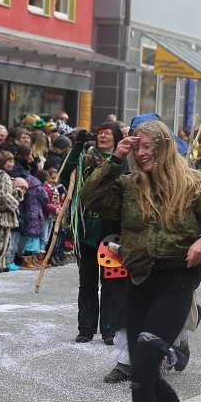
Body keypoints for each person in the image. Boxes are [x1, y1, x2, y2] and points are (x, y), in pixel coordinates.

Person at [79, 119, 201, 402]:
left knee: (144, 364)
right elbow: (90, 198)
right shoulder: (130, 184)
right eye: (138, 147)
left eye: (150, 146)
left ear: (164, 148)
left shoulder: (194, 183)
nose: (143, 153)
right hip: (139, 280)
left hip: (176, 282)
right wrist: (115, 159)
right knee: (144, 369)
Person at [61, 123, 123, 344]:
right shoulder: (85, 160)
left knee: (111, 282)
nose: (103, 135)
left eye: (108, 133)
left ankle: (109, 329)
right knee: (87, 282)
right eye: (100, 132)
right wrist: (76, 147)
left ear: (117, 139)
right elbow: (65, 174)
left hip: (112, 232)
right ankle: (85, 328)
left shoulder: (124, 163)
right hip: (86, 229)